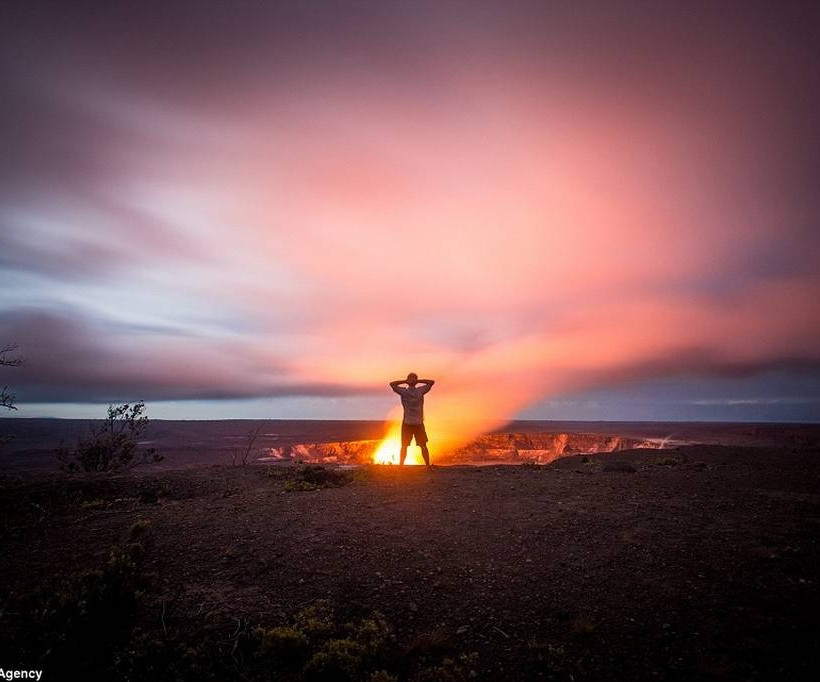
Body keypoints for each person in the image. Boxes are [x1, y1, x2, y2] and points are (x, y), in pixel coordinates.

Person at [389, 373, 435, 468]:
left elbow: (392, 384)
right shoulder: (420, 391)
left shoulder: (404, 392)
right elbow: (431, 382)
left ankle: (401, 466)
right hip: (417, 423)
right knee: (422, 446)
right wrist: (417, 381)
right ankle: (427, 466)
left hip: (409, 423)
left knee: (405, 446)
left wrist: (406, 381)